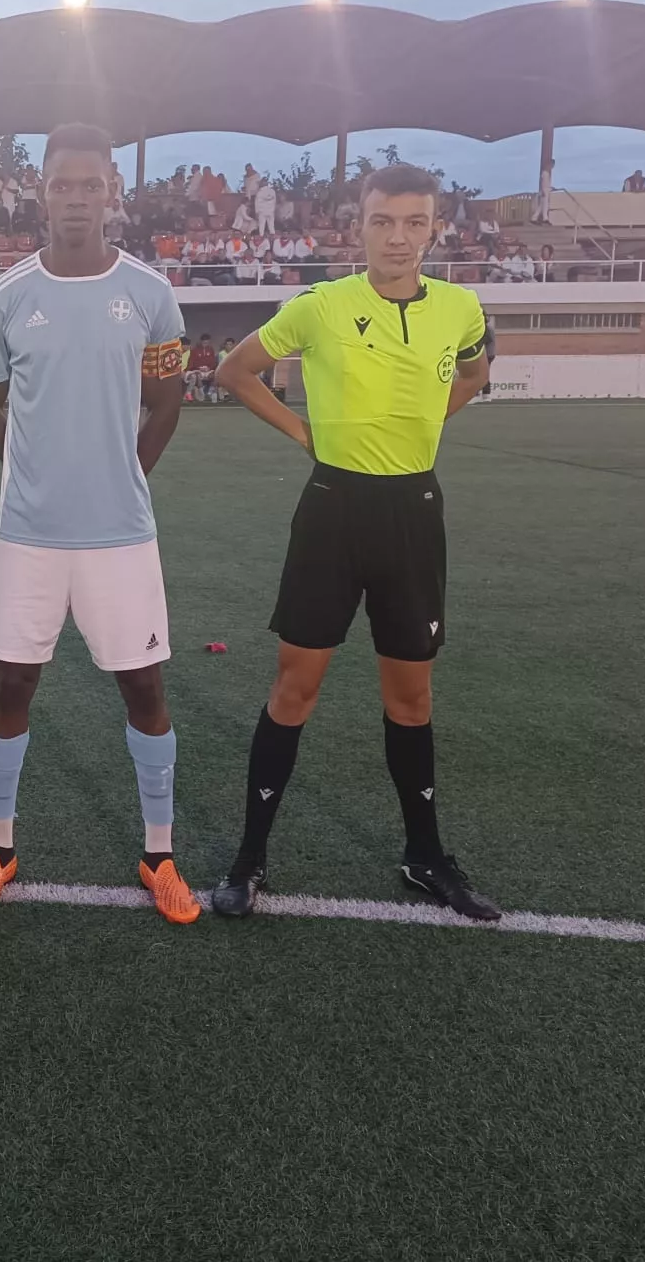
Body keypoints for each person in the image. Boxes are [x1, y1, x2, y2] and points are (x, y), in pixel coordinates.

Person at [210, 164, 498, 922]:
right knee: (294, 689)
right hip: (333, 510)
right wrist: (307, 434)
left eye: (413, 222)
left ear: (435, 227)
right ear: (358, 227)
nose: (397, 237)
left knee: (411, 697)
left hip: (414, 511)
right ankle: (250, 858)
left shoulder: (462, 308)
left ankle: (425, 856)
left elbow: (476, 371)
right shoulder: (320, 306)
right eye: (382, 222)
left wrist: (430, 419)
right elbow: (235, 371)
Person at [0, 124, 197, 924]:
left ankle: (159, 854)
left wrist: (124, 473)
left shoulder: (153, 296)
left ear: (112, 194)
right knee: (14, 681)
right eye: (64, 184)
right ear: (42, 191)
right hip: (28, 533)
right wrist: (25, 470)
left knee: (143, 685)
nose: (78, 197)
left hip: (121, 533)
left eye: (92, 184)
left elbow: (167, 399)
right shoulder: (7, 296)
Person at [187, 333, 218, 404]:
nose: (205, 344)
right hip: (198, 370)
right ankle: (202, 394)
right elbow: (192, 362)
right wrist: (199, 368)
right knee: (197, 375)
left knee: (216, 375)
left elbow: (213, 361)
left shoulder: (211, 349)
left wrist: (208, 368)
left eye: (207, 343)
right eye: (204, 342)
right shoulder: (194, 350)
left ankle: (210, 392)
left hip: (208, 370)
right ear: (201, 341)